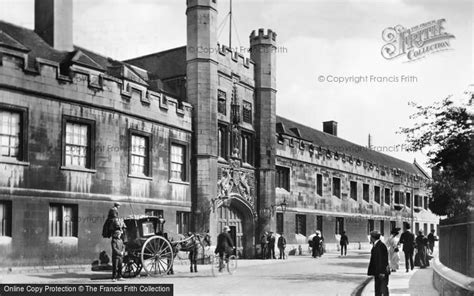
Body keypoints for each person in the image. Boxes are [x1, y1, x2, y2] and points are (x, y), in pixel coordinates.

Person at [367, 230, 390, 296]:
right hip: (378, 272)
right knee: (378, 290)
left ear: (373, 237)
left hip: (381, 272)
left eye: (370, 237)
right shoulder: (377, 245)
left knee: (383, 290)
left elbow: (383, 260)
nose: (370, 238)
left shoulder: (380, 246)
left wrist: (382, 272)